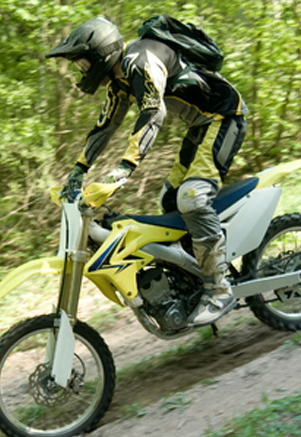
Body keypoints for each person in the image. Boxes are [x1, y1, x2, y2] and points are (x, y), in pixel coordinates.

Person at [47, 16, 248, 326]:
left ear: (101, 53)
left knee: (192, 199)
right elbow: (106, 126)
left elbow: (154, 112)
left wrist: (124, 168)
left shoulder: (139, 62)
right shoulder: (119, 81)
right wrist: (79, 169)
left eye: (84, 64)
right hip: (201, 126)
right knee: (170, 200)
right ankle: (194, 273)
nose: (82, 71)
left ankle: (219, 288)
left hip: (224, 118)